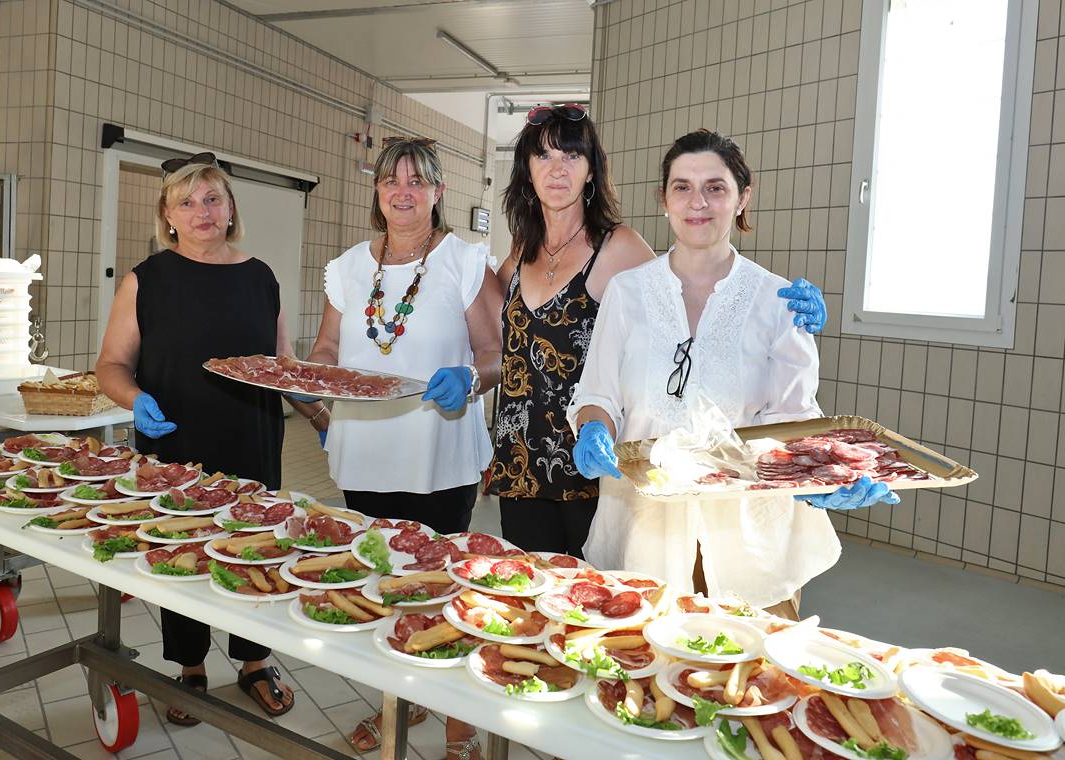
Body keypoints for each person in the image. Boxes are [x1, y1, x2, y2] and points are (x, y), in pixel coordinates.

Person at [567, 129, 895, 619]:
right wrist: (594, 427)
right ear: (663, 200)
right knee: (641, 655)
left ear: (743, 197)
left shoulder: (778, 301)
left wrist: (823, 476)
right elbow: (599, 393)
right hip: (645, 535)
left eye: (715, 187)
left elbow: (793, 417)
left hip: (750, 542)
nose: (697, 202)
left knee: (754, 661)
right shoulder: (627, 292)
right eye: (682, 187)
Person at [488, 106, 829, 560]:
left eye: (571, 156)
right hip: (531, 460)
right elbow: (496, 319)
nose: (697, 202)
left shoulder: (621, 253)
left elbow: (677, 298)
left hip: (636, 485)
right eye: (543, 156)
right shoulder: (529, 253)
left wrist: (821, 467)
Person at [95, 153, 326, 726]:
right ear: (168, 216)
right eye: (187, 202)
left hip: (252, 441)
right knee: (184, 548)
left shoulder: (261, 277)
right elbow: (111, 364)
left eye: (212, 198)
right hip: (176, 442)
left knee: (256, 549)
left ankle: (253, 661)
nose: (201, 211)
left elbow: (282, 365)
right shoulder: (146, 279)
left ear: (230, 209)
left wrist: (321, 416)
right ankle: (189, 666)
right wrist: (134, 399)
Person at [305, 137, 501, 759]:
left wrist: (470, 378)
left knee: (443, 584)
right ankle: (399, 700)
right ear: (377, 189)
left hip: (438, 451)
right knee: (383, 580)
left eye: (418, 181)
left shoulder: (464, 261)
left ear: (439, 192)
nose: (403, 191)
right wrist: (313, 380)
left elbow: (495, 352)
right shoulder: (347, 269)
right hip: (365, 452)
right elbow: (327, 350)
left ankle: (460, 723)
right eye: (392, 179)